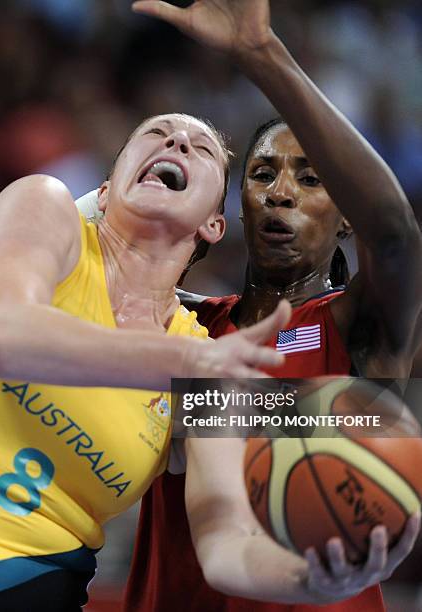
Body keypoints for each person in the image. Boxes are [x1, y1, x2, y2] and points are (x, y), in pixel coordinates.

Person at [121, 0, 422, 610]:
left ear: (344, 221)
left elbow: (394, 236)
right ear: (234, 206)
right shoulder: (182, 325)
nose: (281, 192)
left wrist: (262, 55)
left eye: (311, 180)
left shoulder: (359, 328)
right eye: (262, 174)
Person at [0, 111, 293, 612]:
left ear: (214, 224)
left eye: (202, 148)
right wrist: (181, 358)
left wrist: (308, 576)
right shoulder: (44, 207)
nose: (177, 141)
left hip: (34, 593)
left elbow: (224, 544)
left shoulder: (208, 368)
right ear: (105, 192)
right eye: (156, 133)